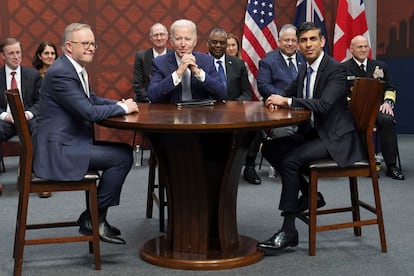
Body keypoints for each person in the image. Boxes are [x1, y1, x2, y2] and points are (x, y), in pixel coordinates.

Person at [257, 22, 365, 255]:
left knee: (290, 161)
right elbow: (288, 92)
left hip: (336, 138)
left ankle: (289, 230)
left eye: (312, 39)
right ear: (298, 44)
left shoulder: (335, 69)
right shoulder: (305, 68)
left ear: (322, 42)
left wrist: (287, 102)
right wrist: (276, 98)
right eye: (303, 40)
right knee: (269, 148)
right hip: (314, 133)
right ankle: (310, 196)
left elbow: (324, 105)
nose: (308, 45)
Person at [32, 23, 139, 245]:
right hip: (59, 150)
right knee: (122, 157)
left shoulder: (73, 68)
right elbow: (89, 112)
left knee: (123, 152)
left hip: (69, 142)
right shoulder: (62, 73)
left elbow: (92, 99)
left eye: (93, 43)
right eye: (86, 43)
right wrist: (123, 109)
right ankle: (95, 219)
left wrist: (120, 103)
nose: (91, 48)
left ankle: (92, 217)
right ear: (69, 46)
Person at [343, 35, 404, 180]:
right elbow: (340, 93)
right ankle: (367, 163)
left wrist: (387, 103)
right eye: (359, 47)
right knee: (361, 123)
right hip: (353, 110)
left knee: (387, 120)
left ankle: (391, 165)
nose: (363, 50)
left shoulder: (380, 66)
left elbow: (390, 87)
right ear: (351, 50)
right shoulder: (342, 68)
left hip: (376, 108)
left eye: (365, 46)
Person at [207, 27, 261, 185]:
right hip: (209, 113)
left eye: (222, 43)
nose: (218, 45)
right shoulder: (201, 62)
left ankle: (249, 166)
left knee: (256, 125)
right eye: (214, 42)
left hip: (234, 111)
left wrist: (232, 106)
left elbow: (247, 93)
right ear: (208, 43)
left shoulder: (238, 64)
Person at [148, 19, 226, 103]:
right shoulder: (159, 63)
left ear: (195, 41)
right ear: (171, 42)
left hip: (200, 113)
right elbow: (153, 96)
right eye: (178, 39)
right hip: (171, 114)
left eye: (188, 39)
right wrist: (178, 72)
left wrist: (198, 73)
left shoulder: (207, 61)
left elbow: (222, 94)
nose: (183, 44)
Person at [257, 24, 305, 138]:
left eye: (294, 40)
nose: (290, 43)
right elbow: (263, 86)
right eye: (286, 40)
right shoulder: (268, 61)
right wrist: (284, 99)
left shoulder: (306, 58)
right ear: (279, 42)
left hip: (304, 108)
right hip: (280, 111)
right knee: (284, 135)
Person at [0, 38, 41, 142]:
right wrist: (5, 116)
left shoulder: (33, 75)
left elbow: (40, 101)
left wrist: (28, 114)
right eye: (11, 53)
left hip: (28, 119)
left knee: (40, 130)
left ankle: (36, 159)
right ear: (3, 56)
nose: (16, 57)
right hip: (6, 120)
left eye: (18, 52)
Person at [32, 40, 58, 198]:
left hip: (58, 113)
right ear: (39, 56)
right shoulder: (32, 76)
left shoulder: (61, 72)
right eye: (46, 53)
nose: (50, 56)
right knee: (39, 130)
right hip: (38, 114)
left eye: (53, 53)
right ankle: (42, 177)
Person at [133, 23, 170, 103]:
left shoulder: (174, 55)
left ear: (167, 36)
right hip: (147, 102)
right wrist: (151, 100)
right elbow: (138, 85)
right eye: (156, 35)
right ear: (151, 38)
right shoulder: (141, 56)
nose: (159, 38)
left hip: (170, 102)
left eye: (162, 34)